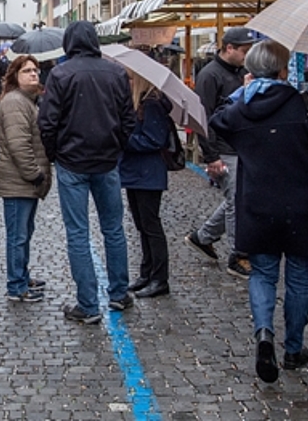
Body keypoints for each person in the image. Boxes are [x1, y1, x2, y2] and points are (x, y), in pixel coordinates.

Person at [209, 40, 308, 383]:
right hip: (303, 207)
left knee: (262, 274)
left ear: (250, 72)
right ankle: (293, 349)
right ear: (285, 70)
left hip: (258, 205)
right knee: (300, 278)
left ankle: (264, 336)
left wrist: (243, 93)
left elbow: (217, 121)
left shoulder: (241, 109)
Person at [38, 20, 136, 324]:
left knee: (78, 234)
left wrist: (55, 153)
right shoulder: (117, 73)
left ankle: (89, 304)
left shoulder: (60, 74)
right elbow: (128, 119)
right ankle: (119, 293)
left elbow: (47, 122)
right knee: (113, 229)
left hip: (73, 162)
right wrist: (116, 146)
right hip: (106, 161)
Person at [184, 27, 258, 279]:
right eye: (244, 51)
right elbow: (202, 117)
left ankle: (202, 236)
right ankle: (238, 255)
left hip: (240, 146)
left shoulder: (241, 74)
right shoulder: (209, 75)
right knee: (237, 202)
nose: (247, 56)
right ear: (229, 48)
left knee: (236, 199)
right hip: (224, 149)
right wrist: (211, 155)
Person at [0, 55, 51, 303]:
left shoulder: (28, 101)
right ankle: (16, 285)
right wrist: (35, 174)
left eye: (36, 70)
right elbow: (19, 146)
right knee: (17, 236)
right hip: (19, 182)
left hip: (24, 182)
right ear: (15, 76)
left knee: (24, 233)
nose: (34, 74)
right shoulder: (16, 102)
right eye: (27, 70)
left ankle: (22, 276)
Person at [119, 72, 173, 299]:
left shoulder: (151, 104)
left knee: (151, 225)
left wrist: (125, 139)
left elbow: (154, 140)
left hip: (147, 173)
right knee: (142, 224)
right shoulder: (140, 103)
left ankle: (159, 278)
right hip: (137, 172)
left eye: (131, 79)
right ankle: (147, 272)